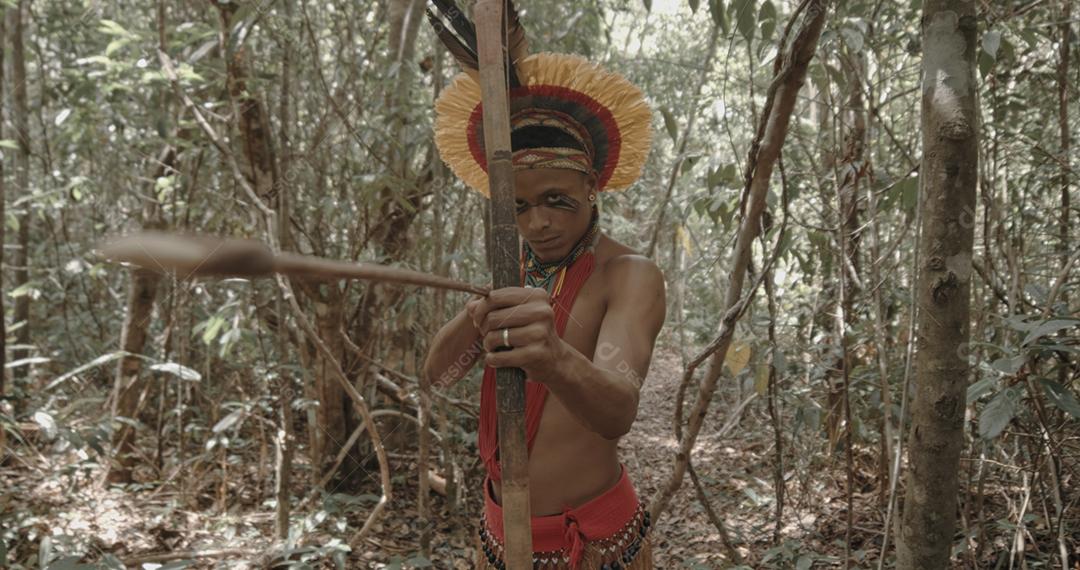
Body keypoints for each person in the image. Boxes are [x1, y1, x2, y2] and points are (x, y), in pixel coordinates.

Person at [422, 10, 664, 568]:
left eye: (558, 200)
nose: (539, 224)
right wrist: (474, 317)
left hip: (595, 543)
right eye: (520, 207)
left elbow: (617, 411)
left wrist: (553, 358)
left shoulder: (630, 275)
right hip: (499, 538)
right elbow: (437, 378)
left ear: (592, 187)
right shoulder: (511, 275)